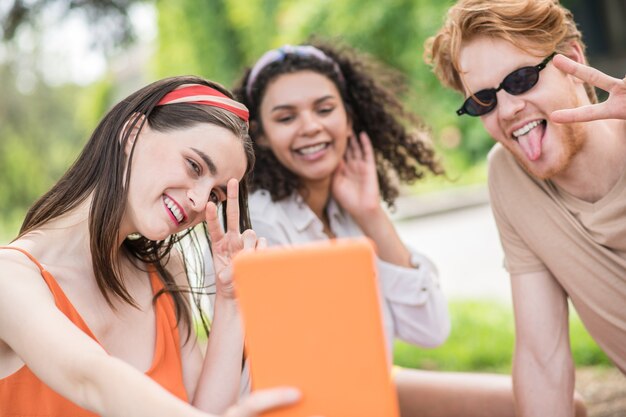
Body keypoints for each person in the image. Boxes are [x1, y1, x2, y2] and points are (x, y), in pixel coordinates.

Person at [232, 41, 585, 417]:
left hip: (369, 383)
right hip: (300, 404)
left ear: (349, 117)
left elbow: (430, 330)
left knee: (569, 408)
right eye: (286, 118)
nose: (311, 127)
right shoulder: (261, 221)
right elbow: (304, 368)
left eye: (325, 109)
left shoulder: (345, 205)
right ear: (262, 134)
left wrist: (371, 216)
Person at [0, 75, 307, 417]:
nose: (199, 200)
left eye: (216, 194)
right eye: (194, 166)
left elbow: (202, 409)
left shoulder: (164, 271)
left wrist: (231, 299)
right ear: (132, 133)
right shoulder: (10, 278)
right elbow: (90, 378)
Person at [425, 0, 626, 415]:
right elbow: (542, 357)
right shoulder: (509, 176)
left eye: (520, 79)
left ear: (571, 59)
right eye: (483, 100)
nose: (508, 109)